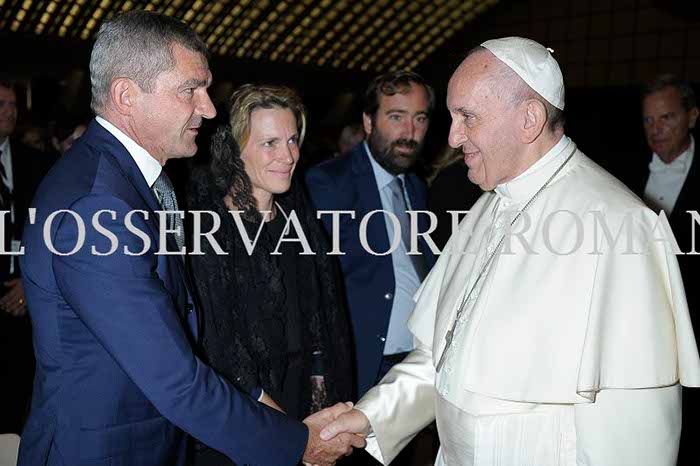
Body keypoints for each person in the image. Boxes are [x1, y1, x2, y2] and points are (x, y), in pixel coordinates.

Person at [318, 37, 700, 466]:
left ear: (529, 119)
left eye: (467, 117)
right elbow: (443, 357)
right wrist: (370, 416)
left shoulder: (620, 224)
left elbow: (636, 433)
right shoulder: (488, 205)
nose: (452, 136)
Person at [18, 11, 363, 466]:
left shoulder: (125, 182)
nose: (209, 108)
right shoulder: (99, 205)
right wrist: (299, 443)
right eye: (190, 90)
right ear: (126, 96)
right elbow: (175, 379)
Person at [187, 84, 354, 465]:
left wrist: (321, 419)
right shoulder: (210, 230)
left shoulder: (299, 220)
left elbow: (322, 325)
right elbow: (221, 352)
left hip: (301, 408)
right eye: (269, 143)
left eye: (293, 140)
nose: (289, 155)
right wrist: (291, 435)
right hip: (241, 424)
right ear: (235, 150)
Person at [306, 71, 437, 399]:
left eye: (419, 119)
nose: (410, 133)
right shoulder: (331, 183)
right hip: (361, 366)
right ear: (368, 122)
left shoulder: (416, 187)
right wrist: (318, 367)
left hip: (416, 364)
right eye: (396, 117)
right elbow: (310, 285)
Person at [633, 74, 700, 465]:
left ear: (692, 116)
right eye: (648, 120)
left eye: (667, 118)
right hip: (642, 332)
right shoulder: (622, 169)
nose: (656, 130)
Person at [0, 82, 54, 435]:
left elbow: (51, 231)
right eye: (1, 104)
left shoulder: (35, 162)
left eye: (13, 104)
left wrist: (27, 283)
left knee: (18, 403)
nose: (10, 111)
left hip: (27, 301)